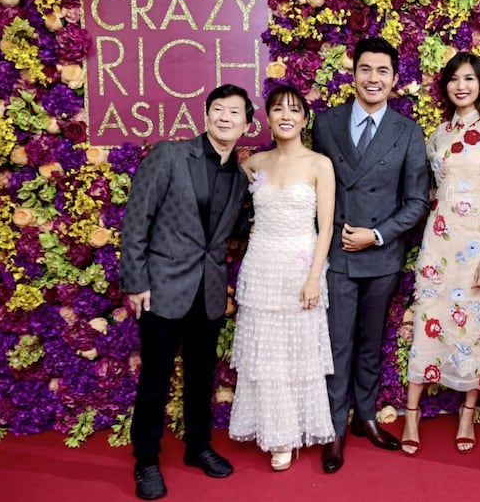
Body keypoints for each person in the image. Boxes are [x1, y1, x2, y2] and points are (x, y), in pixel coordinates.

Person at [120, 84, 254, 500]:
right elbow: (136, 220)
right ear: (207, 115)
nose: (225, 117)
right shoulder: (170, 155)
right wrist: (136, 280)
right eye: (218, 109)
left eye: (235, 112)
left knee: (200, 377)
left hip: (209, 291)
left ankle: (198, 447)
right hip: (162, 287)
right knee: (156, 379)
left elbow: (232, 230)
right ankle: (145, 461)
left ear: (248, 124)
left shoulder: (239, 176)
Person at [311, 37, 430, 473]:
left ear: (395, 79)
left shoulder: (407, 131)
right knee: (338, 343)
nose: (373, 78)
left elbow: (417, 201)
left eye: (382, 71)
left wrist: (377, 235)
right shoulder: (325, 124)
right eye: (366, 69)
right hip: (339, 254)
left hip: (381, 256)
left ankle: (364, 417)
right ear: (353, 73)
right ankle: (334, 427)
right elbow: (313, 187)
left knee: (369, 346)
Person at [401, 52, 480, 456]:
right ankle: (411, 413)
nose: (461, 86)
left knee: (477, 323)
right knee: (428, 318)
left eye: (469, 78)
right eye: (454, 79)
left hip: (479, 242)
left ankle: (468, 412)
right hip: (439, 241)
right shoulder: (436, 135)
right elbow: (433, 192)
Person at [228, 85, 336, 471]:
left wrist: (312, 278)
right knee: (267, 356)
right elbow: (229, 205)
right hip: (260, 266)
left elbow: (325, 229)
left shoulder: (319, 164)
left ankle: (290, 433)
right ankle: (274, 432)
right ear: (268, 119)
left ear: (305, 119)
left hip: (300, 265)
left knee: (297, 355)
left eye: (294, 110)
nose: (285, 116)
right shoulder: (254, 163)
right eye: (277, 110)